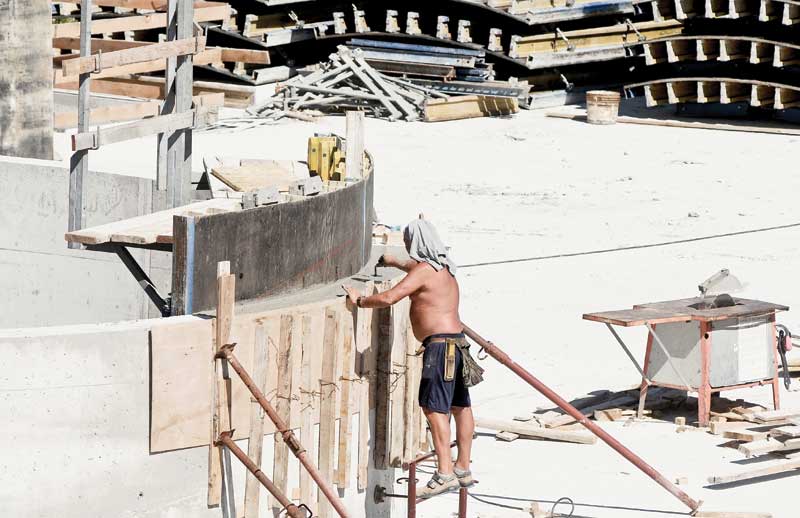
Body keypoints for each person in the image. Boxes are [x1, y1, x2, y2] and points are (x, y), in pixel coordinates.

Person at [343, 217, 476, 499]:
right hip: (457, 345)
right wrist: (394, 261)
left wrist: (359, 301)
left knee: (434, 408)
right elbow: (417, 269)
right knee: (460, 406)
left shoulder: (425, 271)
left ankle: (444, 473)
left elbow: (391, 297)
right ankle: (462, 466)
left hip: (439, 349)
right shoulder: (445, 267)